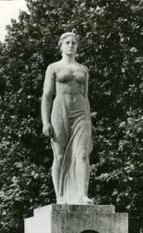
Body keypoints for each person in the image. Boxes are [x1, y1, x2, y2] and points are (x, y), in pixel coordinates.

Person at [41, 32, 93, 205]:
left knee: (83, 154)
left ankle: (82, 194)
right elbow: (47, 96)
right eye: (67, 43)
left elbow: (85, 96)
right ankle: (60, 195)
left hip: (81, 113)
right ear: (61, 46)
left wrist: (89, 121)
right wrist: (45, 121)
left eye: (74, 43)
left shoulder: (83, 69)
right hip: (60, 112)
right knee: (60, 156)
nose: (71, 45)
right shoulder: (54, 67)